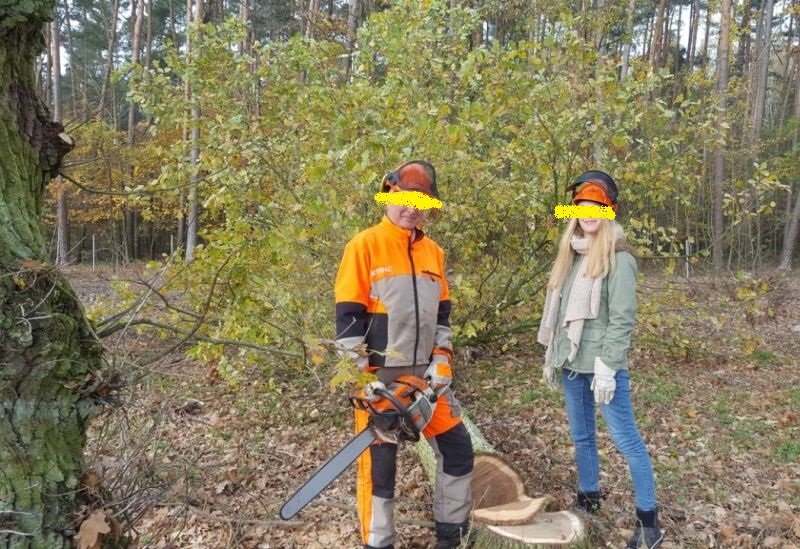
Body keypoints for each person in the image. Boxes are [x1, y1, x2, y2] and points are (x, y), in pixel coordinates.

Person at [334, 160, 474, 549]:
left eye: (421, 201)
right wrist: (363, 378)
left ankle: (452, 535)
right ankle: (379, 543)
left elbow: (442, 316)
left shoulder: (434, 253)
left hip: (426, 380)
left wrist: (442, 358)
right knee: (380, 468)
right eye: (405, 199)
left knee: (457, 448)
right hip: (381, 380)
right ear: (389, 194)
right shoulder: (364, 246)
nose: (411, 208)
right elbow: (348, 318)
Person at [536, 170, 664, 549]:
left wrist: (609, 366)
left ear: (610, 212)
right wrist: (553, 356)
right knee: (582, 437)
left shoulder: (619, 259)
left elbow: (621, 319)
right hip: (573, 364)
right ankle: (588, 500)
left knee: (627, 441)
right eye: (582, 207)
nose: (589, 213)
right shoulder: (571, 256)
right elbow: (560, 317)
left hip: (602, 368)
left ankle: (648, 523)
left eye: (598, 207)